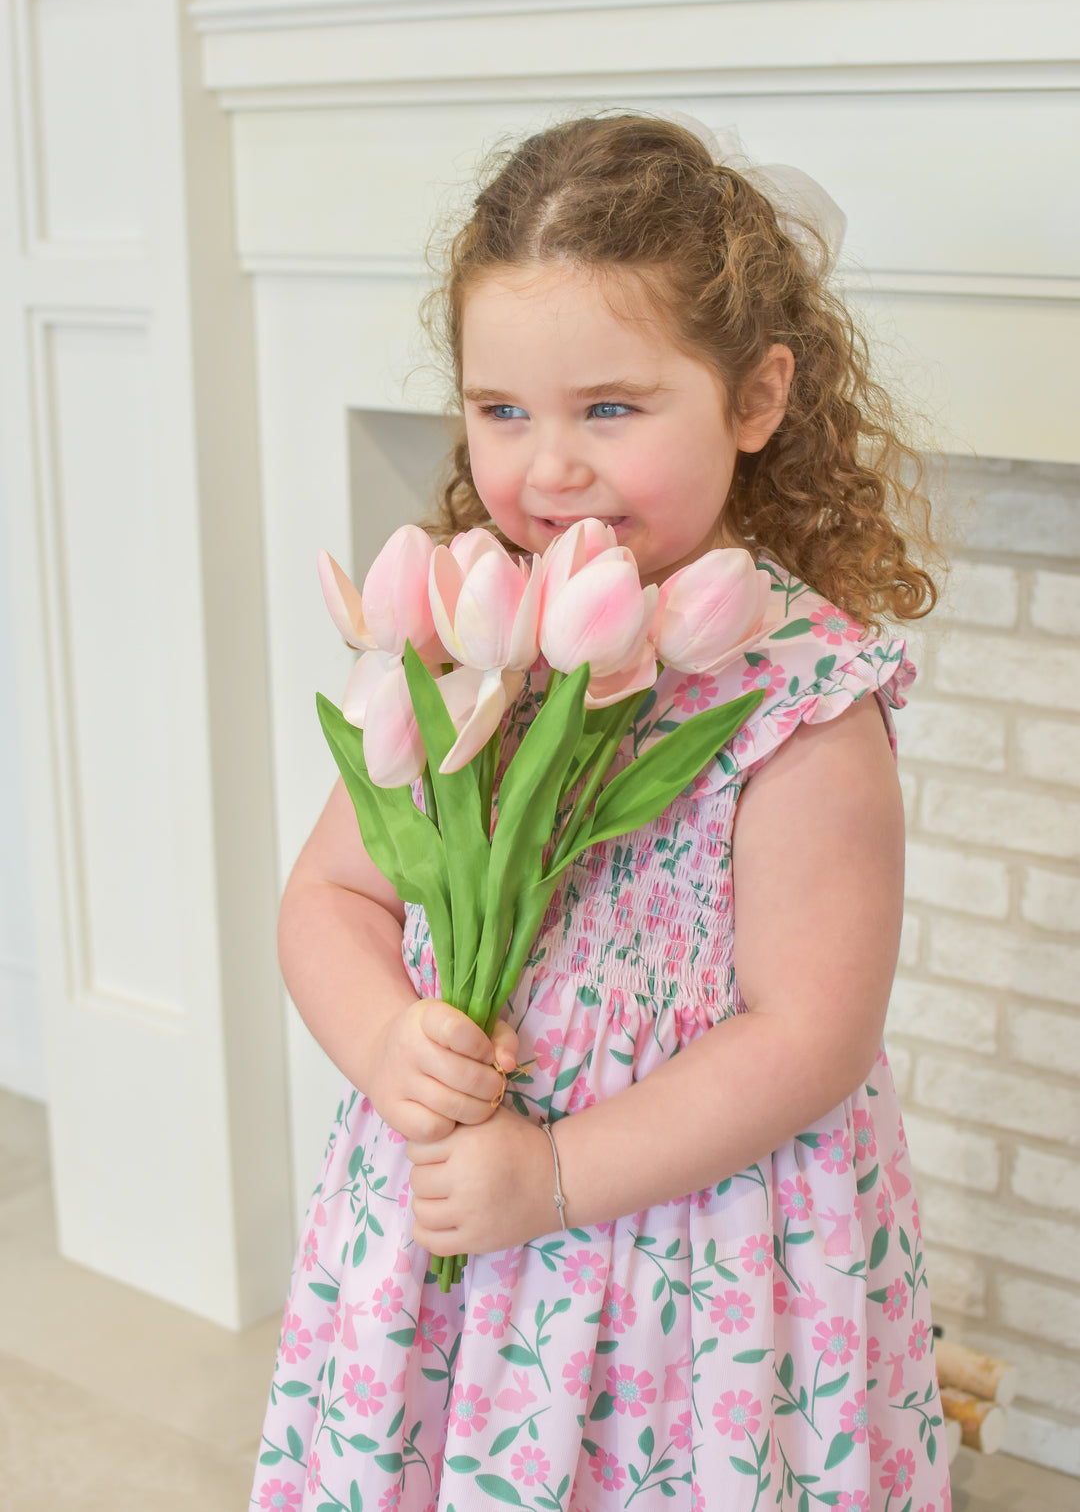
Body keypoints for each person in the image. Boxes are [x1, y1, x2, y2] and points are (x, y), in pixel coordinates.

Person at [252, 113, 949, 1512]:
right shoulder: (471, 635)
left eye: (609, 409)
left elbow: (812, 1031)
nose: (546, 468)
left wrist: (557, 1177)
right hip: (459, 1221)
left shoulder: (804, 700)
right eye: (502, 411)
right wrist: (388, 1036)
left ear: (755, 400)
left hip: (685, 1244)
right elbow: (331, 896)